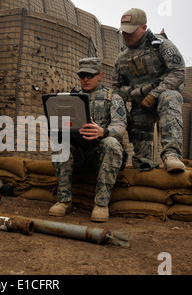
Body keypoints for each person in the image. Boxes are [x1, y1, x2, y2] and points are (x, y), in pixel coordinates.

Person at [49, 57, 127, 223]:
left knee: (112, 144)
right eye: (82, 75)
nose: (85, 79)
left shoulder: (113, 98)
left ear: (100, 75)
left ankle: (101, 204)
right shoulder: (70, 98)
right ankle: (64, 201)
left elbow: (120, 128)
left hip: (100, 153)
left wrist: (103, 131)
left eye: (89, 75)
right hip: (79, 153)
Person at [113, 8, 186, 173]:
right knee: (141, 159)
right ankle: (144, 162)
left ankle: (171, 155)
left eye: (130, 32)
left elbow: (179, 72)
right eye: (124, 32)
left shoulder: (161, 45)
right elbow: (116, 86)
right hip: (140, 104)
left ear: (144, 28)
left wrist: (155, 94)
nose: (126, 36)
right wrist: (121, 109)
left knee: (170, 97)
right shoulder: (121, 57)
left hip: (162, 96)